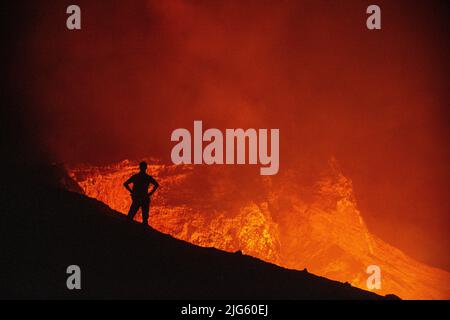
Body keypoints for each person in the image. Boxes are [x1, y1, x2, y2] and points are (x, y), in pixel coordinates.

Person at [123, 161, 159, 226]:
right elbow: (156, 185)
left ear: (140, 167)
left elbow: (125, 184)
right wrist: (150, 194)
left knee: (131, 216)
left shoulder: (136, 176)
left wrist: (132, 192)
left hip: (138, 198)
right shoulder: (147, 177)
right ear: (146, 168)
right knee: (143, 219)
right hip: (143, 198)